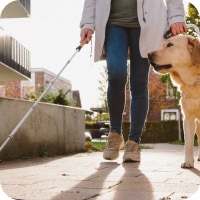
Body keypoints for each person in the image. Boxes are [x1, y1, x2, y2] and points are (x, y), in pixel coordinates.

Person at [80, 0, 187, 162]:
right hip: (113, 23)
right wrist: (87, 23)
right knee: (116, 75)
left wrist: (176, 16)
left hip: (147, 22)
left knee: (139, 82)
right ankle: (115, 134)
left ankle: (134, 142)